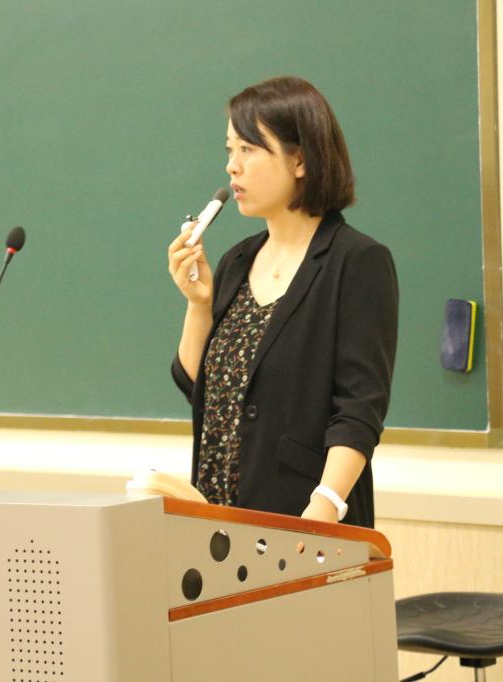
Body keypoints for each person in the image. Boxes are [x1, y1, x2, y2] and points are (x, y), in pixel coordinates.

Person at [167, 76, 397, 528]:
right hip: (217, 519)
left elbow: (358, 409)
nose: (232, 167)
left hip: (306, 522)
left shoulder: (356, 261)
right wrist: (198, 304)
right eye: (229, 150)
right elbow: (200, 388)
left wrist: (324, 507)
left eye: (248, 149)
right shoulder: (237, 261)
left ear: (300, 159)